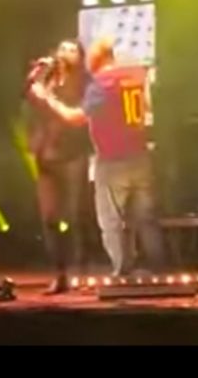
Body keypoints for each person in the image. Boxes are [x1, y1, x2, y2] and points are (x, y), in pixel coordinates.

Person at [30, 38, 167, 276]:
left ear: (97, 59)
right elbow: (147, 109)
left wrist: (47, 99)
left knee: (111, 221)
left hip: (113, 159)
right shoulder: (136, 75)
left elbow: (75, 118)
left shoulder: (101, 84)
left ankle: (121, 270)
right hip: (140, 155)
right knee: (146, 218)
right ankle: (160, 270)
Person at [24, 39, 93, 294]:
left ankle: (81, 272)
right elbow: (29, 99)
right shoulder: (48, 78)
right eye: (63, 48)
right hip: (46, 155)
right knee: (50, 217)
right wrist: (35, 75)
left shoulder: (85, 84)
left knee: (75, 216)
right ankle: (59, 274)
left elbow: (77, 117)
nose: (66, 52)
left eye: (72, 50)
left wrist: (48, 98)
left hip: (73, 154)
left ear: (80, 57)